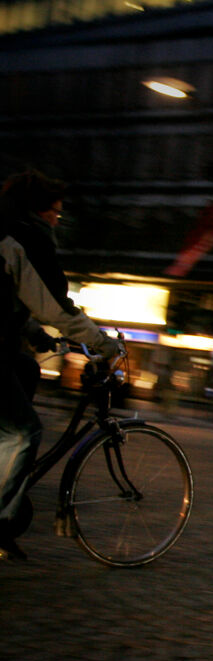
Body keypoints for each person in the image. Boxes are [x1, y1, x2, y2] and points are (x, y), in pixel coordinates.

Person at [0, 169, 123, 561]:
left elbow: (14, 294)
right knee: (22, 432)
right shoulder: (26, 238)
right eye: (54, 212)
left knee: (27, 370)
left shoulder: (5, 231)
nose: (57, 218)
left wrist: (32, 331)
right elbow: (55, 305)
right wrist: (105, 344)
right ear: (36, 210)